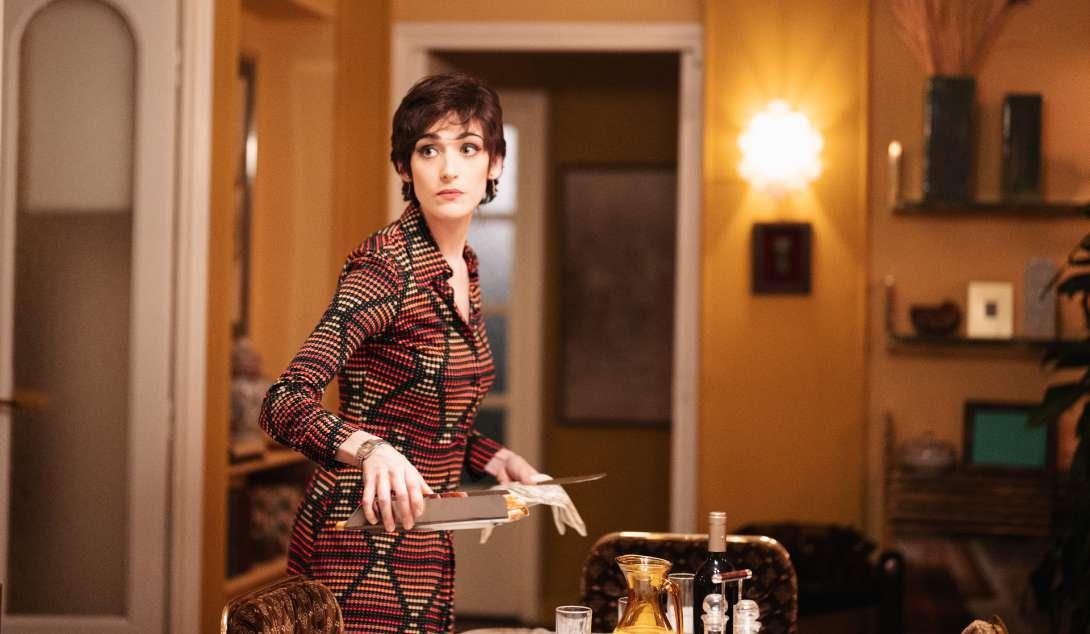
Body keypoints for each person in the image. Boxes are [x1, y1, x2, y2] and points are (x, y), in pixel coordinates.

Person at [260, 72, 541, 633]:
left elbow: (416, 414)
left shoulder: (463, 265)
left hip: (424, 540)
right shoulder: (385, 269)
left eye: (468, 148)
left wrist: (491, 457)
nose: (449, 168)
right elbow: (283, 402)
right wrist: (369, 450)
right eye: (428, 150)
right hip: (357, 541)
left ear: (495, 164)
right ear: (403, 168)